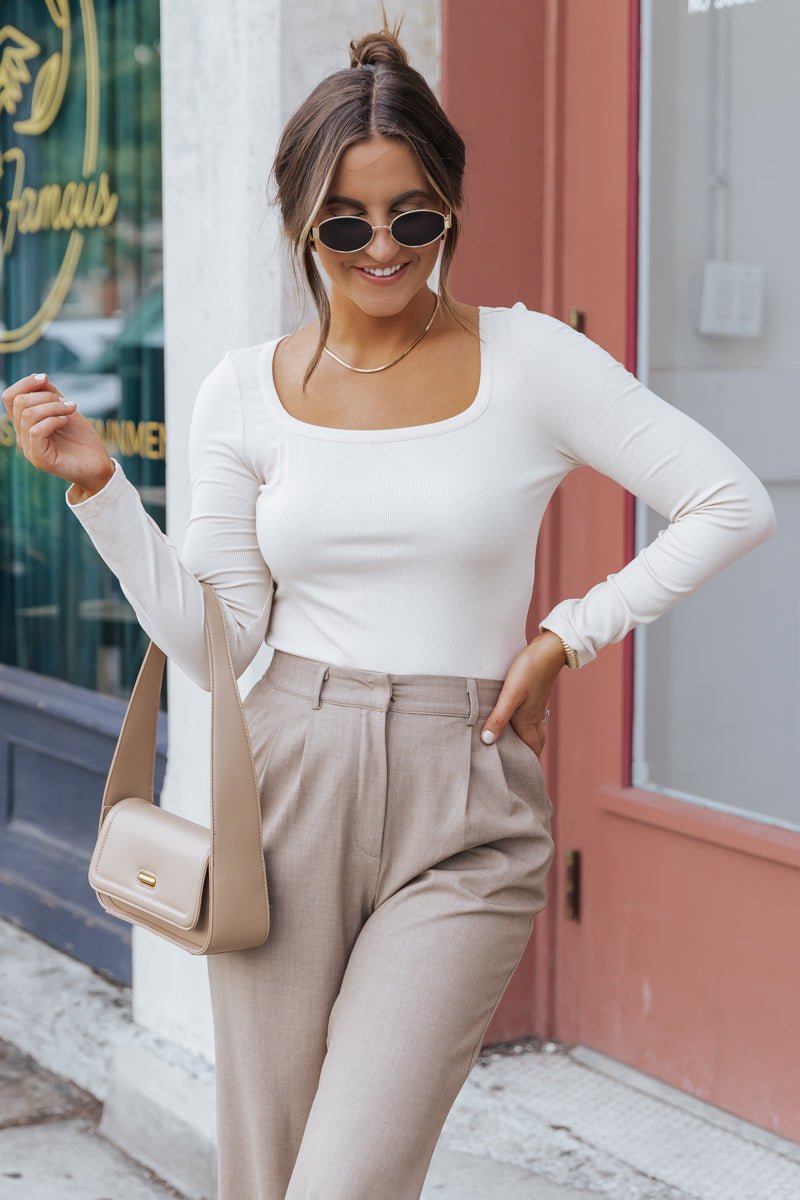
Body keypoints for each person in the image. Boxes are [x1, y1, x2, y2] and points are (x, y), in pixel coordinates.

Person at [2, 15, 777, 1200]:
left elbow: (729, 501)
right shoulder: (242, 394)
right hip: (285, 784)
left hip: (464, 798)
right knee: (265, 1174)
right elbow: (223, 642)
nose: (381, 248)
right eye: (344, 222)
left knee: (343, 1181)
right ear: (299, 221)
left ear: (450, 209)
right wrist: (104, 492)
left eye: (411, 215)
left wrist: (568, 633)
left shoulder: (528, 364)